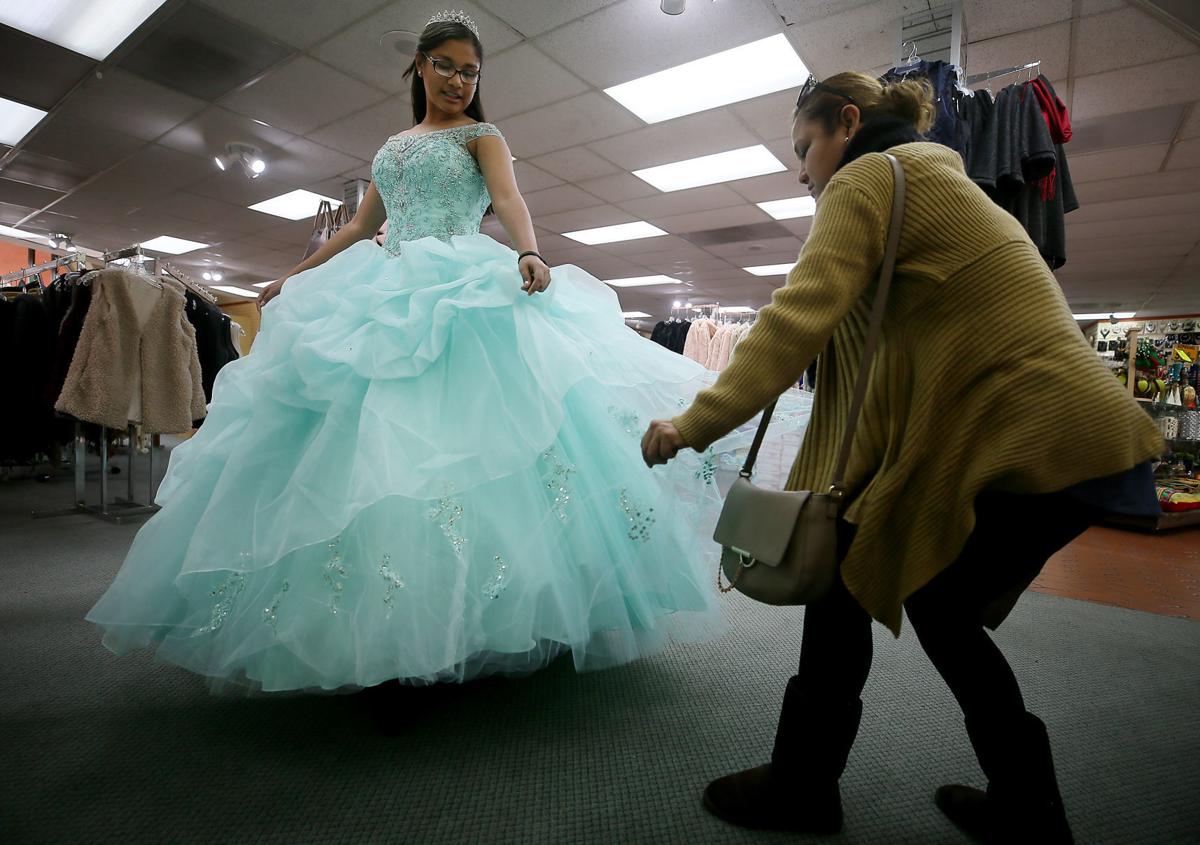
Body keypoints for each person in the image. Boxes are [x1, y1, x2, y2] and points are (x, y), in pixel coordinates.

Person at [85, 12, 810, 693]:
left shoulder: (482, 135)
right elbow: (361, 226)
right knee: (373, 456)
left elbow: (511, 199)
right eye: (447, 66)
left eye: (470, 70)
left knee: (475, 447)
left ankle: (486, 623)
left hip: (464, 287)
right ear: (420, 66)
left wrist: (527, 250)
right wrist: (293, 275)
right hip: (387, 290)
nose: (460, 81)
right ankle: (391, 634)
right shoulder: (390, 149)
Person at [641, 71, 1162, 842]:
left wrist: (694, 422)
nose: (801, 169)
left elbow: (794, 322)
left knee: (868, 589)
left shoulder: (868, 179)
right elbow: (889, 355)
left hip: (1028, 437)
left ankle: (804, 788)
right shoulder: (936, 180)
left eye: (804, 147)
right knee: (940, 608)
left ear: (847, 122)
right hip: (1076, 440)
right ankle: (1025, 804)